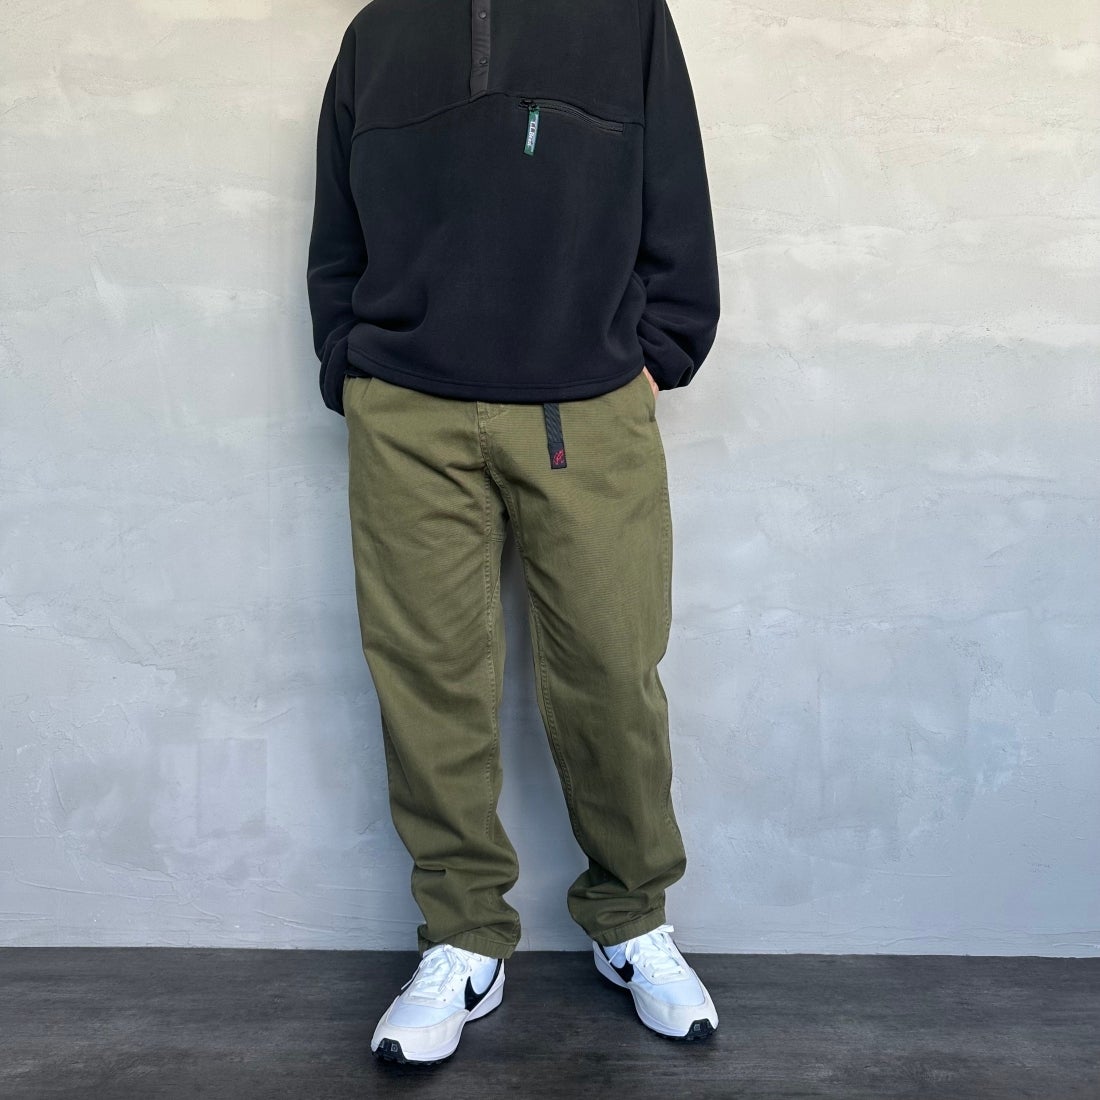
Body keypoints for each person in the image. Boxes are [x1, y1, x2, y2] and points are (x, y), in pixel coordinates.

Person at [306, 0, 721, 1066]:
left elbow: (674, 191)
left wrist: (657, 354)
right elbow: (337, 233)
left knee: (610, 669)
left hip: (586, 403)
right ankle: (462, 937)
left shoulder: (626, 19)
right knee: (426, 679)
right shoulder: (376, 34)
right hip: (406, 409)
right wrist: (352, 368)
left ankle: (631, 919)